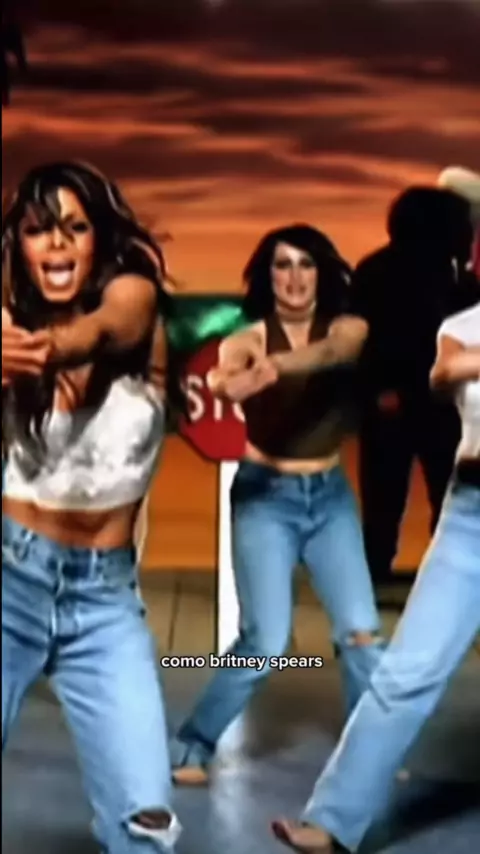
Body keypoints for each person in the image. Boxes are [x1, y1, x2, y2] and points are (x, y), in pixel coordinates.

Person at [1, 161, 181, 854]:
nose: (57, 244)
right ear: (19, 244)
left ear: (99, 239)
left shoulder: (133, 301)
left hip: (103, 601)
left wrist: (36, 349)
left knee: (147, 823)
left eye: (75, 228)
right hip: (10, 577)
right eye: (39, 229)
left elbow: (101, 331)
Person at [170, 223, 385, 785]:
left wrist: (276, 369)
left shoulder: (347, 326)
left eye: (305, 264)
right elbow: (226, 374)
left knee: (362, 632)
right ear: (267, 277)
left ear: (322, 273)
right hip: (266, 497)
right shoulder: (247, 338)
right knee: (264, 641)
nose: (294, 277)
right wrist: (229, 382)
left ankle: (371, 756)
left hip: (330, 498)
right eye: (282, 265)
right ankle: (193, 742)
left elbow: (336, 352)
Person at [271, 296, 480, 853]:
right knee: (407, 670)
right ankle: (332, 822)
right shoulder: (463, 326)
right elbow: (445, 372)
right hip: (471, 515)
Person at [351, 186, 479, 590]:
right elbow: (363, 341)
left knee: (443, 491)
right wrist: (379, 390)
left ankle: (440, 573)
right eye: (463, 226)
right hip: (396, 402)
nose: (469, 234)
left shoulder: (453, 277)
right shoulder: (381, 273)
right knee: (387, 494)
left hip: (438, 402)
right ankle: (375, 570)